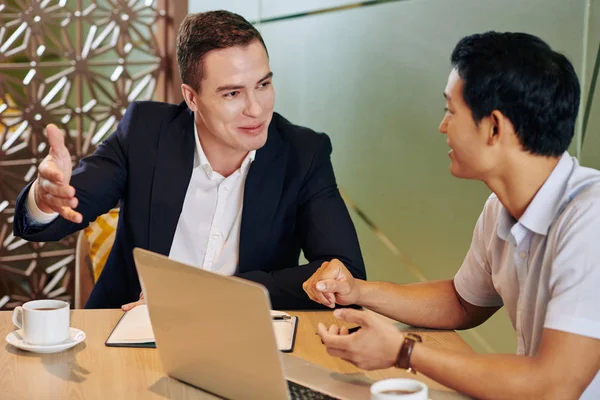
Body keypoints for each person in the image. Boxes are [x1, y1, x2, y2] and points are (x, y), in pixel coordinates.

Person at [303, 32, 600, 399]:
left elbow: (552, 386)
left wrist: (402, 351)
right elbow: (461, 303)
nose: (442, 126)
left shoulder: (591, 220)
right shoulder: (500, 208)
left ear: (494, 127)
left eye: (451, 110)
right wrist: (357, 291)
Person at [13, 10, 365, 310]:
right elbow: (68, 210)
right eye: (232, 93)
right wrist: (43, 199)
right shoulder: (145, 133)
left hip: (241, 331)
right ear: (192, 98)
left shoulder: (303, 153)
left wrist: (205, 297)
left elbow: (342, 272)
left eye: (263, 84)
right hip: (127, 326)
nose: (256, 109)